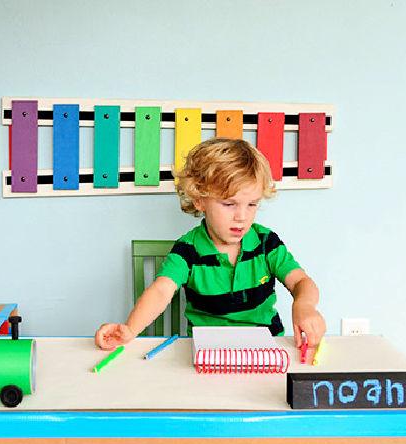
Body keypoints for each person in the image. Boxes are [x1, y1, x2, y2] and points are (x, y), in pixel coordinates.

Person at [94, 137, 326, 355]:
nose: (242, 217)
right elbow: (161, 290)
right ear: (199, 200)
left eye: (252, 204)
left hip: (264, 351)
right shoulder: (188, 250)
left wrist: (304, 305)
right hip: (208, 352)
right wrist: (130, 329)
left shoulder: (267, 243)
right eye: (229, 204)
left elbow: (301, 282)